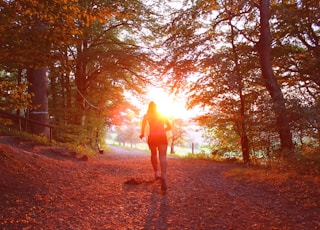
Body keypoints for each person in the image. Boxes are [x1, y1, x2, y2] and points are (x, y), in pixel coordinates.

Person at [140, 101, 171, 191]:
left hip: (152, 136)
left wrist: (142, 133)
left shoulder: (147, 115)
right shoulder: (161, 115)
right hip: (162, 136)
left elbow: (143, 126)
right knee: (163, 156)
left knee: (153, 154)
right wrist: (162, 130)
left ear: (149, 107)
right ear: (156, 108)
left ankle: (156, 173)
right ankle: (164, 175)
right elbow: (169, 127)